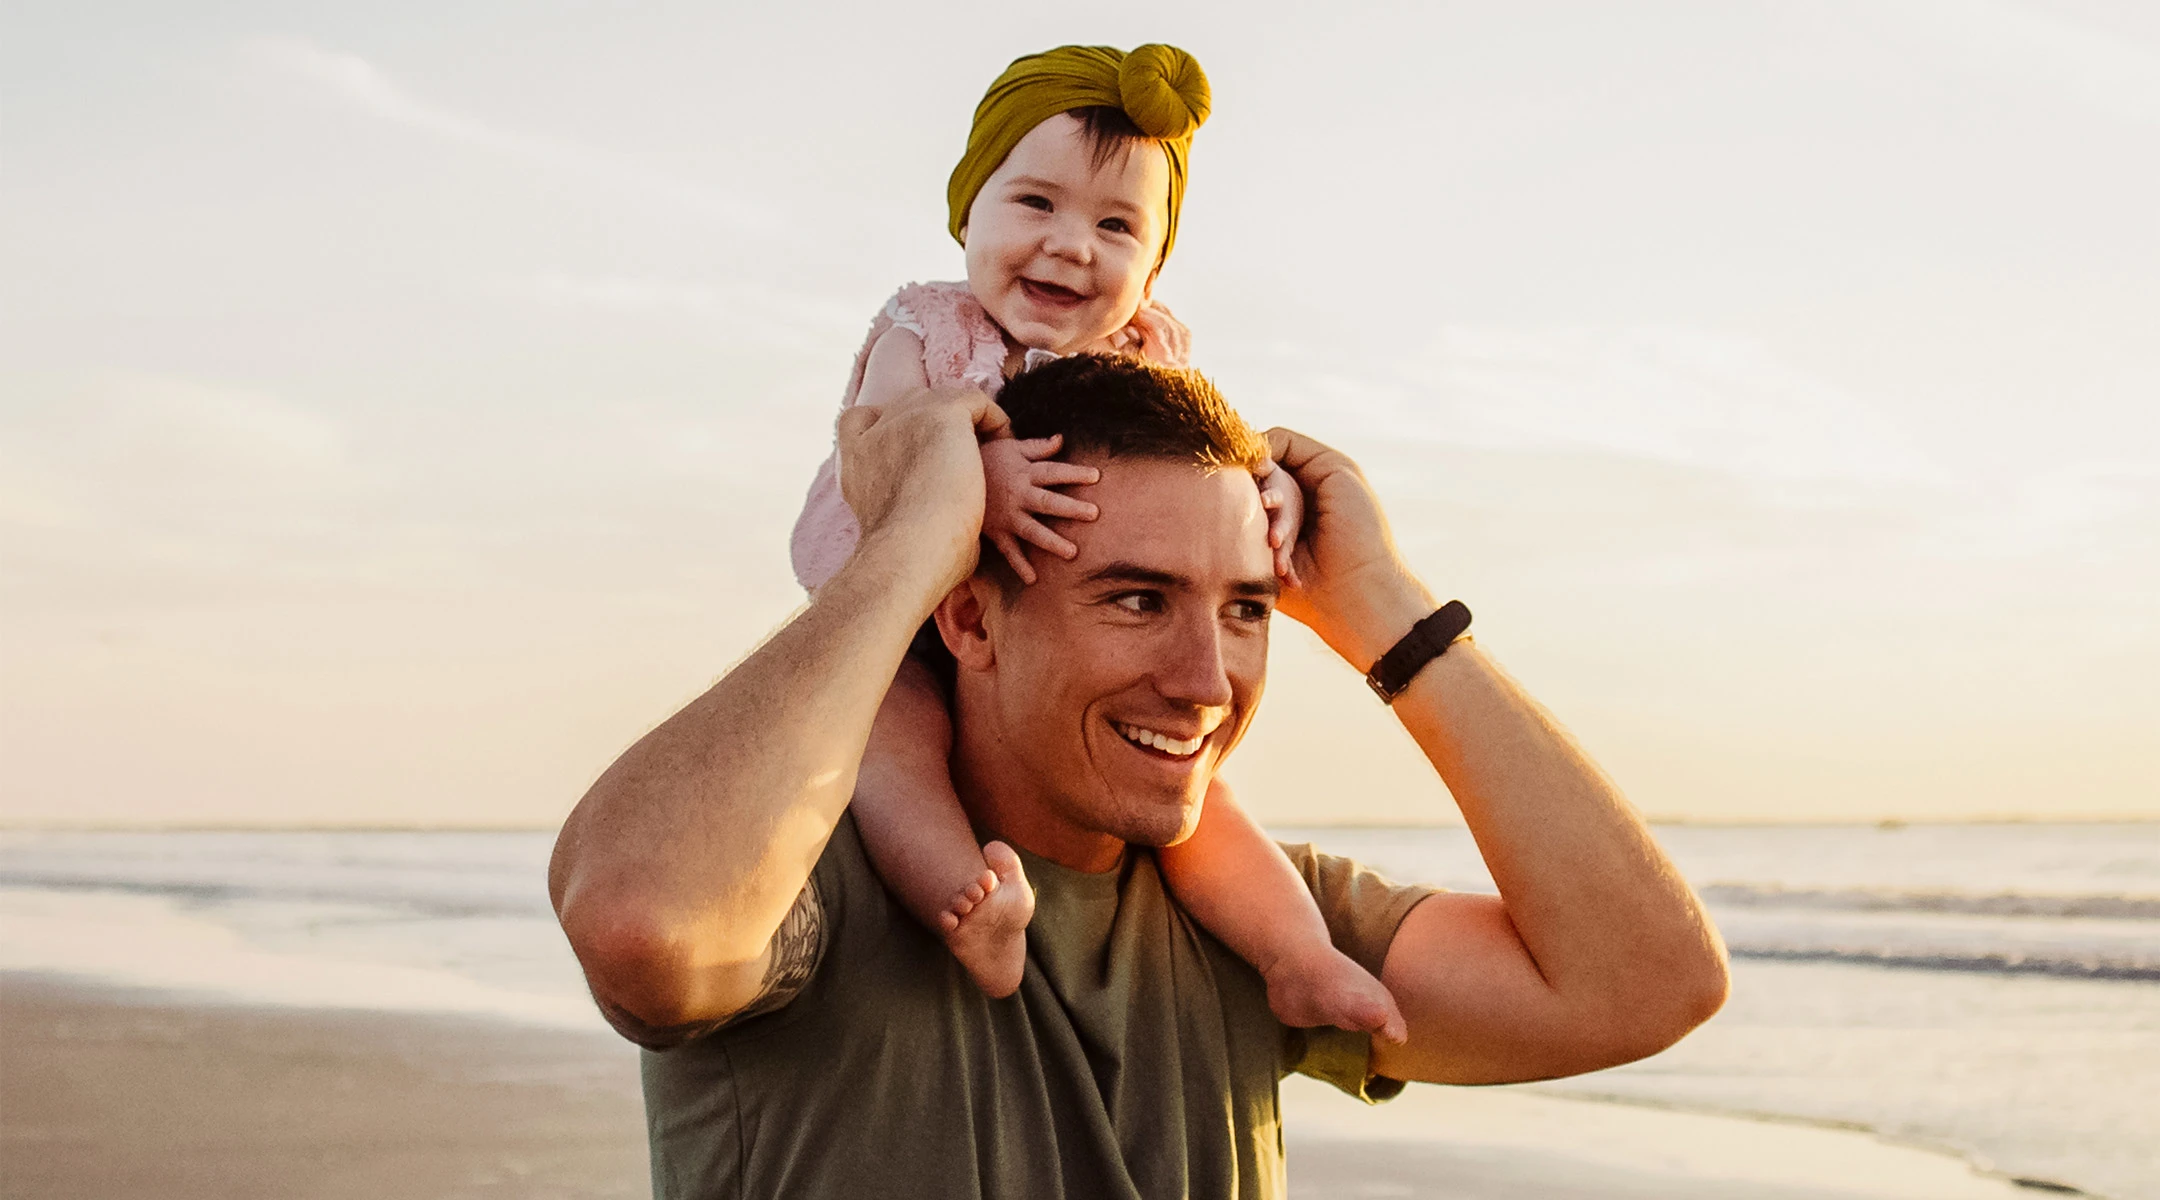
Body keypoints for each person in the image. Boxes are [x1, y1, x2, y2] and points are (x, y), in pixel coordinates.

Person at [549, 354, 1732, 1199]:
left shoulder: (1268, 925)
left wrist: (1384, 606)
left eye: (1247, 609)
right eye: (1135, 598)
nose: (1206, 678)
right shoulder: (810, 878)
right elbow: (643, 925)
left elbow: (1645, 984)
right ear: (967, 616)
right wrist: (913, 532)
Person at [790, 41, 1403, 1043]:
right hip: (907, 617)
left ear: (1154, 263)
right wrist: (968, 467)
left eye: (1116, 225)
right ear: (968, 212)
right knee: (892, 744)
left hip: (1057, 635)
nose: (1073, 246)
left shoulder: (1150, 350)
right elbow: (884, 441)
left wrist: (1271, 488)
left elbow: (1207, 457)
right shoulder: (926, 329)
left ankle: (1299, 958)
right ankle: (969, 903)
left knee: (1202, 809)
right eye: (1035, 205)